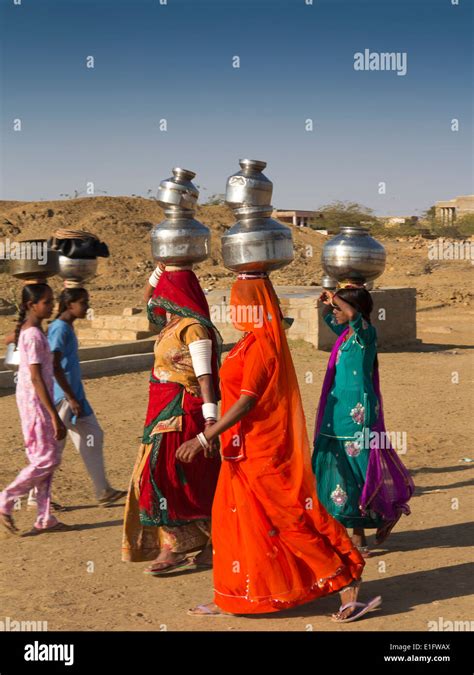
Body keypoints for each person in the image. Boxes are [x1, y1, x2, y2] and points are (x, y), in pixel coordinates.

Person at [176, 272, 381, 623]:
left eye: (240, 303)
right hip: (236, 450)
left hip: (262, 451)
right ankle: (236, 595)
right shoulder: (244, 342)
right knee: (235, 524)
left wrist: (202, 438)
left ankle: (346, 581)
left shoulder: (262, 346)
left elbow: (246, 403)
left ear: (255, 308)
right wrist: (213, 425)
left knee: (290, 519)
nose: (233, 308)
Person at [121, 264, 221, 575]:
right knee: (170, 477)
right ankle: (185, 544)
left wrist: (210, 424)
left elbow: (206, 378)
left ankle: (189, 545)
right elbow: (147, 298)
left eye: (166, 286)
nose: (159, 295)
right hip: (160, 411)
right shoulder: (169, 323)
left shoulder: (193, 328)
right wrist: (159, 268)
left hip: (184, 412)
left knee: (165, 476)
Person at [312, 285, 414, 557]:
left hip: (358, 411)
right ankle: (343, 532)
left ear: (354, 310)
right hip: (336, 411)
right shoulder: (345, 336)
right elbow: (327, 317)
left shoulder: (365, 333)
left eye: (339, 308)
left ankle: (367, 528)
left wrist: (336, 298)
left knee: (359, 469)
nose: (335, 312)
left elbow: (350, 314)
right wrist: (327, 302)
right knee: (335, 465)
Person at [44, 287, 126, 507]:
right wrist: (71, 397)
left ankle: (103, 490)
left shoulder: (65, 327)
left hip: (72, 396)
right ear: (70, 305)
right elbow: (53, 363)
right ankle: (38, 496)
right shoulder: (60, 328)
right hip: (64, 398)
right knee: (56, 446)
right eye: (84, 302)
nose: (87, 306)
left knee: (88, 436)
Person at [0, 283, 68, 533]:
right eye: (47, 302)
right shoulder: (32, 335)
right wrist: (54, 416)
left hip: (37, 401)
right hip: (36, 404)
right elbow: (37, 377)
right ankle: (6, 499)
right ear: (31, 305)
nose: (51, 306)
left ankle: (44, 517)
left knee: (46, 458)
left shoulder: (33, 332)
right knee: (47, 458)